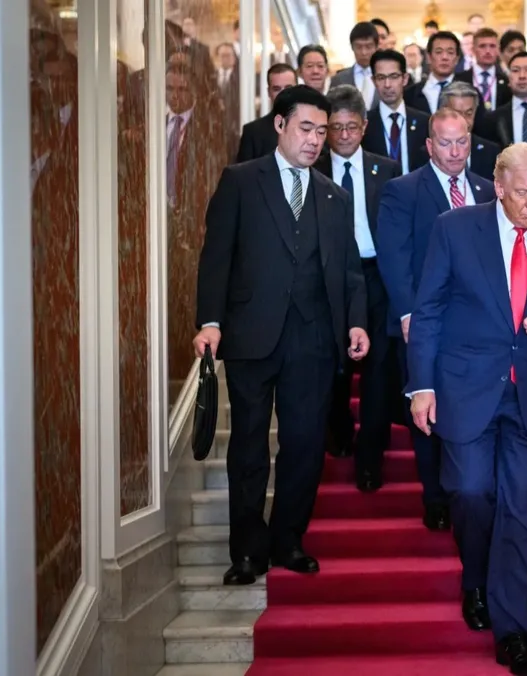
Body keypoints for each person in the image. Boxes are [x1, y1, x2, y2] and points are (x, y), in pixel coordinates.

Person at [406, 143, 527, 676]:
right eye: (523, 192)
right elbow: (429, 310)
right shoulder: (455, 229)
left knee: (519, 511)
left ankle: (513, 632)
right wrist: (422, 387)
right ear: (499, 185)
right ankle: (475, 579)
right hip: (466, 388)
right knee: (469, 492)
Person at [192, 85, 370, 586]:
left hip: (313, 340)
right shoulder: (240, 181)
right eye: (306, 128)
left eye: (322, 131)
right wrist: (210, 321)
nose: (315, 140)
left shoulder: (335, 197)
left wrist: (356, 321)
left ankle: (289, 539)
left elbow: (349, 270)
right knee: (248, 445)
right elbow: (216, 257)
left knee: (305, 445)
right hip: (251, 336)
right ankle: (248, 553)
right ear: (280, 125)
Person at [375, 108, 495, 531]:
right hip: (425, 325)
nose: (455, 151)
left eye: (462, 141)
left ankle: (468, 486)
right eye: (446, 143)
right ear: (429, 145)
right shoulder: (403, 190)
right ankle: (436, 497)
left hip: (479, 329)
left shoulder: (487, 190)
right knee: (426, 411)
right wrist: (409, 315)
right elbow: (394, 258)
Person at [315, 85, 400, 489]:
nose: (345, 135)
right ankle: (339, 430)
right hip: (331, 280)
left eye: (351, 127)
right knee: (336, 366)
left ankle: (370, 458)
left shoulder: (387, 169)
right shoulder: (312, 171)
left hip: (377, 277)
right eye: (336, 128)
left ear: (365, 126)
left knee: (378, 370)